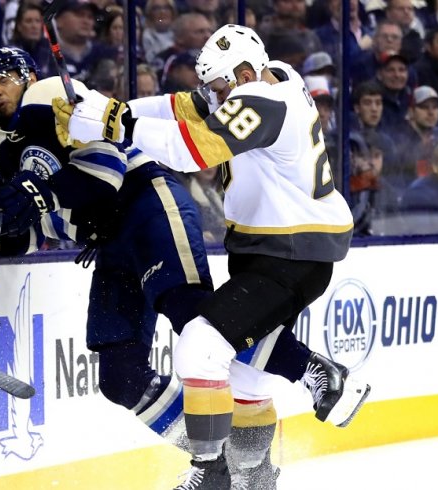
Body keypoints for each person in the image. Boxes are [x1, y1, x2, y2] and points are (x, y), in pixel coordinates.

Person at [54, 24, 371, 488]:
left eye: (221, 87)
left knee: (199, 349)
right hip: (276, 250)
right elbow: (183, 108)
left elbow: (189, 149)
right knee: (246, 379)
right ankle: (255, 476)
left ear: (244, 74)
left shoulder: (264, 101)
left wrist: (112, 123)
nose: (213, 98)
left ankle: (212, 473)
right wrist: (105, 110)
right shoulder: (274, 77)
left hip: (290, 254)